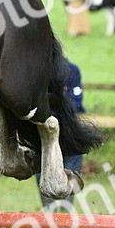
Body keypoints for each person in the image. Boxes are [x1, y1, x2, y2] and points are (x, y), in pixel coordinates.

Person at [38, 58, 85, 211]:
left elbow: (77, 101)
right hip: (46, 126)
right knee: (42, 168)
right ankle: (49, 210)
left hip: (69, 127)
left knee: (71, 169)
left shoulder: (72, 70)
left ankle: (65, 211)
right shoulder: (39, 69)